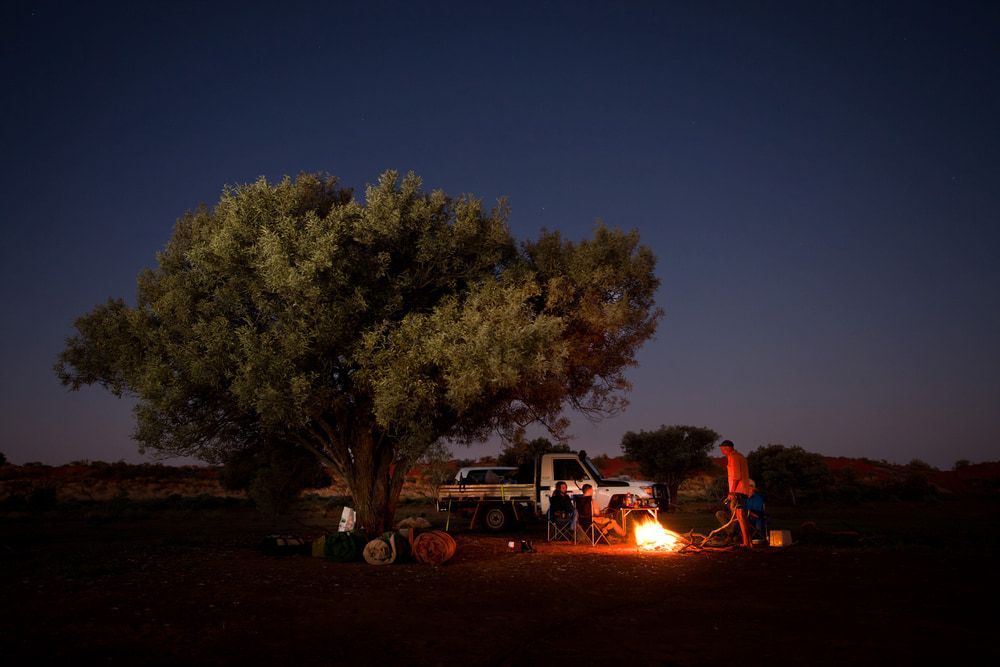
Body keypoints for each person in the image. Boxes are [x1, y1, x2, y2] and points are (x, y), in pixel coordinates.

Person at [719, 440, 752, 548]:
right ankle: (749, 542)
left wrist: (732, 492)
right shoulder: (741, 456)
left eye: (722, 449)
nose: (722, 451)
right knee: (742, 517)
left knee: (741, 517)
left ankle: (746, 543)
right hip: (743, 490)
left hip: (738, 491)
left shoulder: (733, 457)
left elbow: (736, 476)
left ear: (727, 448)